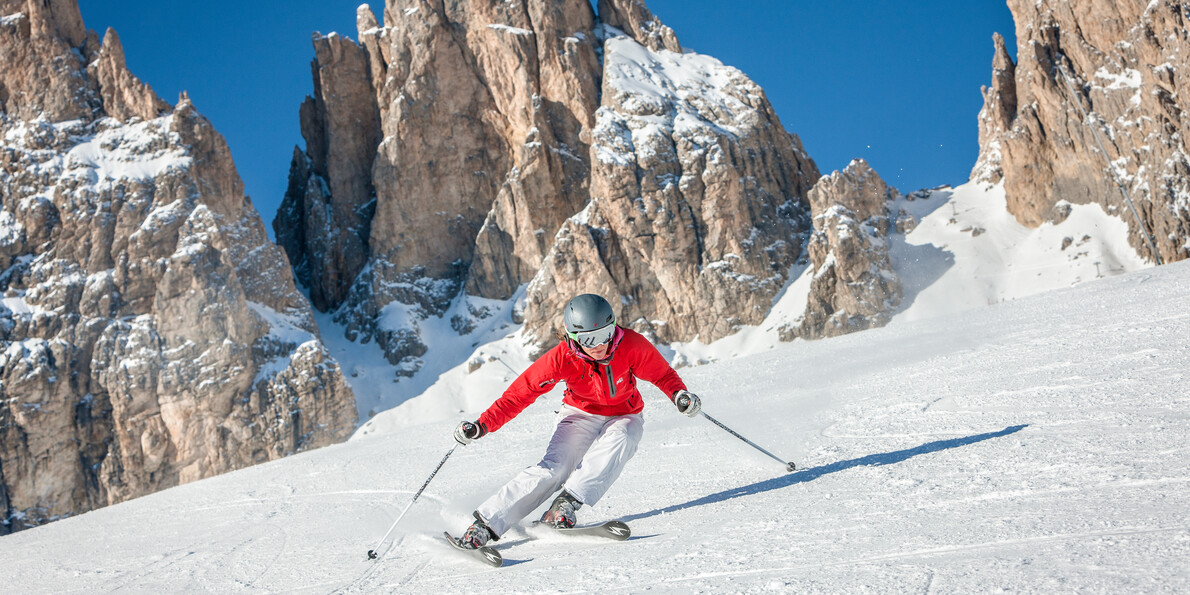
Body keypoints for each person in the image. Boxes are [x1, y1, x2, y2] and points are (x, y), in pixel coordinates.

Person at [450, 293, 702, 549]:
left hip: (625, 413)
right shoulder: (561, 358)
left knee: (625, 436)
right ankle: (484, 526)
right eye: (588, 339)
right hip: (580, 413)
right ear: (572, 337)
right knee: (555, 469)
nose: (599, 345)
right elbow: (519, 395)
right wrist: (482, 425)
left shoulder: (630, 345)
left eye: (605, 333)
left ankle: (565, 505)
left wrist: (679, 395)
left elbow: (663, 375)